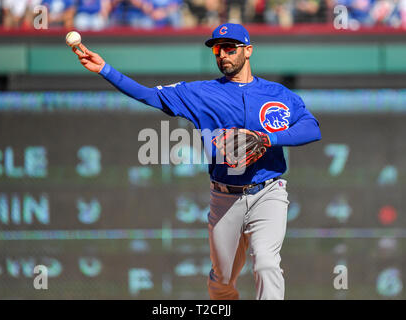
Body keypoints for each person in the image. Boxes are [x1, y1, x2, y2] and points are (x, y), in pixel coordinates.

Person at [71, 23, 321, 300]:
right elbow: (148, 95)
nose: (222, 54)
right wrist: (106, 70)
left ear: (248, 50)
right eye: (217, 49)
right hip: (225, 198)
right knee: (222, 279)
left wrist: (267, 139)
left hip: (268, 192)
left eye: (229, 48)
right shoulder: (200, 92)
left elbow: (311, 128)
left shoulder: (278, 94)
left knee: (266, 263)